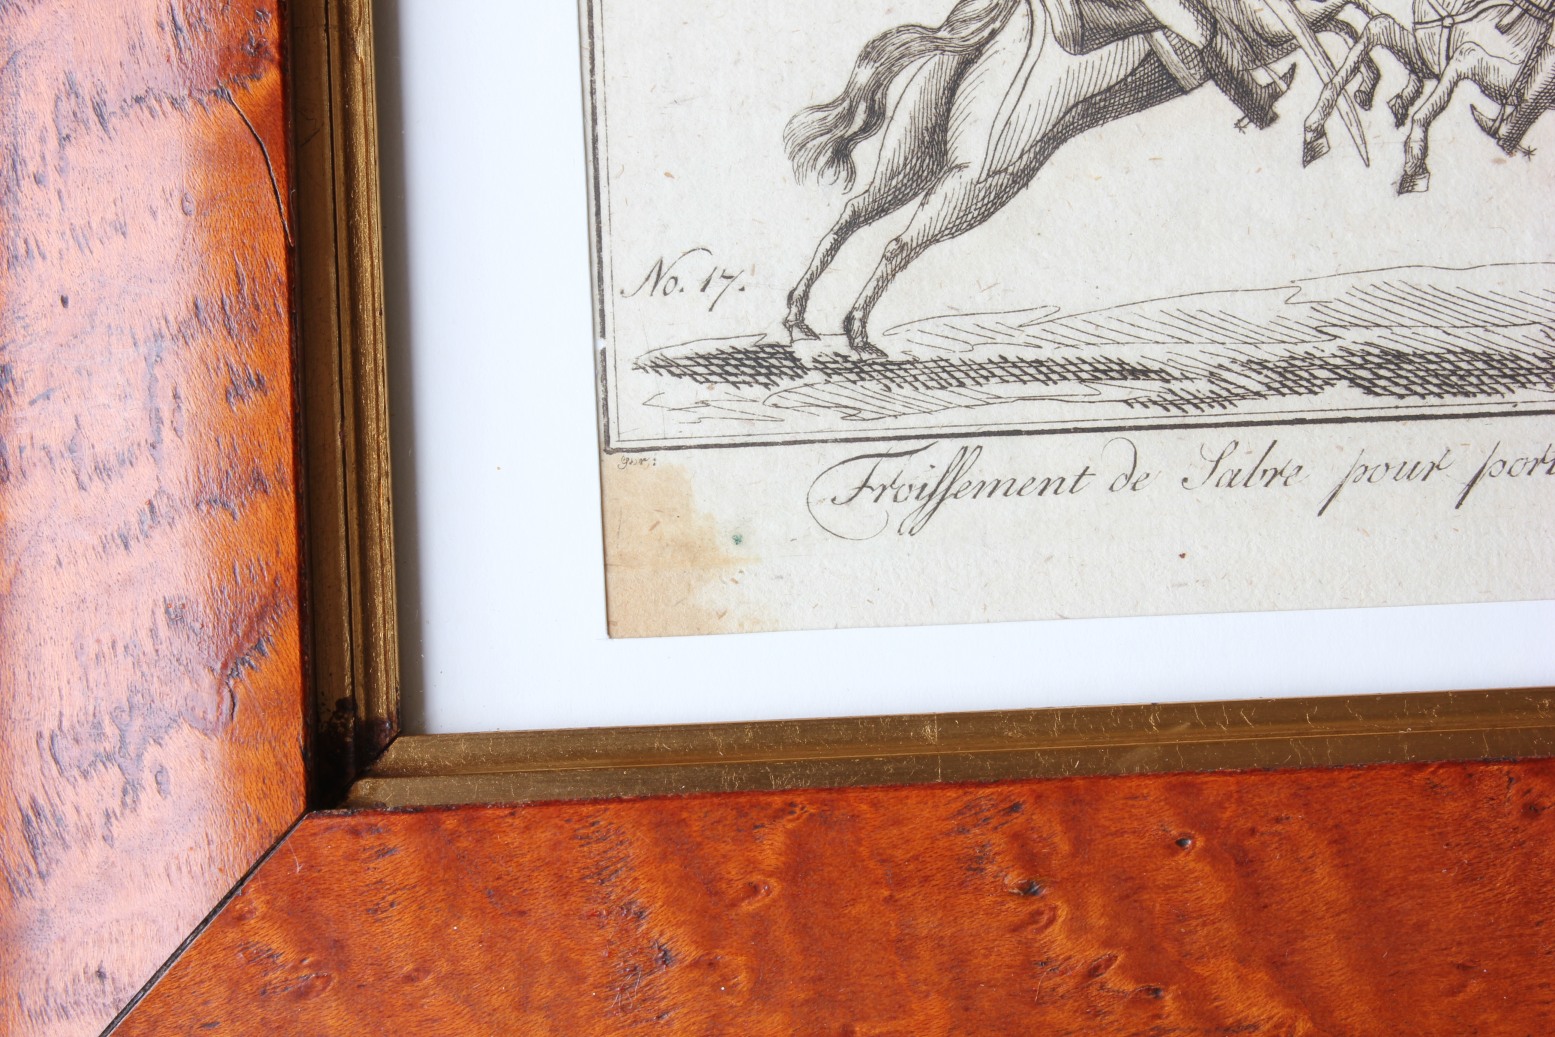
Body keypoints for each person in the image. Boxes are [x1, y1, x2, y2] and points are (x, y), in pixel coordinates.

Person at [1045, 0, 1294, 126]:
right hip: (1081, 16)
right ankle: (1255, 104)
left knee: (1196, 22)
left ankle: (1255, 99)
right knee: (1201, 26)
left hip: (1076, 15)